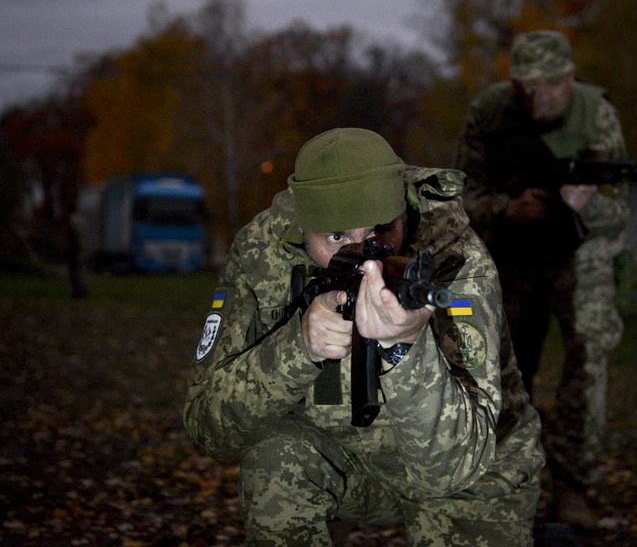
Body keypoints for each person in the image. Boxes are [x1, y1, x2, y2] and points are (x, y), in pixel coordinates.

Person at [184, 128, 544, 545]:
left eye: (381, 230)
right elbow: (209, 429)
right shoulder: (262, 253)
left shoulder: (455, 260)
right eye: (338, 237)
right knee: (275, 462)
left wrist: (406, 348)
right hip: (346, 461)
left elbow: (453, 466)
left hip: (476, 472)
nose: (367, 256)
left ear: (403, 213)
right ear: (304, 228)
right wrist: (298, 349)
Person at [453, 30, 629, 527]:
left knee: (590, 354)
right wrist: (508, 209)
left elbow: (619, 210)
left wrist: (579, 210)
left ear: (572, 78)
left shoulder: (596, 114)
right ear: (514, 86)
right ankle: (509, 482)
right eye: (531, 86)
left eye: (555, 83)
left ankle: (574, 485)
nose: (544, 95)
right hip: (511, 256)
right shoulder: (489, 113)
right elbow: (459, 195)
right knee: (504, 371)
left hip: (577, 253)